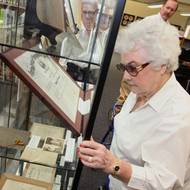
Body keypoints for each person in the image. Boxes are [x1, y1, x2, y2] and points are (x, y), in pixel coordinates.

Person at [77, 15, 190, 189]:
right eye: (123, 67)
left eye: (132, 67)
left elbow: (162, 182)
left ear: (162, 66)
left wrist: (112, 164)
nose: (125, 77)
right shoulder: (142, 88)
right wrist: (102, 153)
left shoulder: (179, 114)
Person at [114, 0, 178, 115]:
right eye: (167, 7)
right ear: (162, 7)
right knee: (127, 88)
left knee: (143, 94)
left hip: (152, 67)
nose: (169, 11)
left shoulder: (169, 29)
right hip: (137, 64)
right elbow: (133, 39)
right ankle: (119, 109)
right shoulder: (149, 21)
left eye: (172, 10)